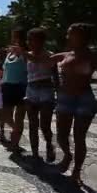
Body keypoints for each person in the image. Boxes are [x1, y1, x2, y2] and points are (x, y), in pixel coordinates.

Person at [50, 23, 97, 185]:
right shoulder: (65, 55)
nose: (68, 37)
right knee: (61, 135)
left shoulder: (94, 57)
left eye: (71, 34)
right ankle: (68, 155)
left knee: (79, 137)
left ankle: (76, 171)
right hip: (65, 98)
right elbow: (45, 61)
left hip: (84, 99)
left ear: (82, 36)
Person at [23, 28, 57, 162]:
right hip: (31, 89)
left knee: (44, 125)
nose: (29, 42)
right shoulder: (28, 55)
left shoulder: (49, 54)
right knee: (32, 124)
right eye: (28, 39)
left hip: (45, 90)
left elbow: (38, 61)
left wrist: (58, 92)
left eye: (32, 39)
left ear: (41, 41)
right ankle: (35, 154)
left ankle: (49, 145)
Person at [1, 28, 28, 153]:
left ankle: (15, 141)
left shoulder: (25, 53)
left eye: (16, 36)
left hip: (20, 86)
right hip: (7, 86)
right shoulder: (10, 52)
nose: (13, 39)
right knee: (6, 116)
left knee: (19, 116)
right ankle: (16, 131)